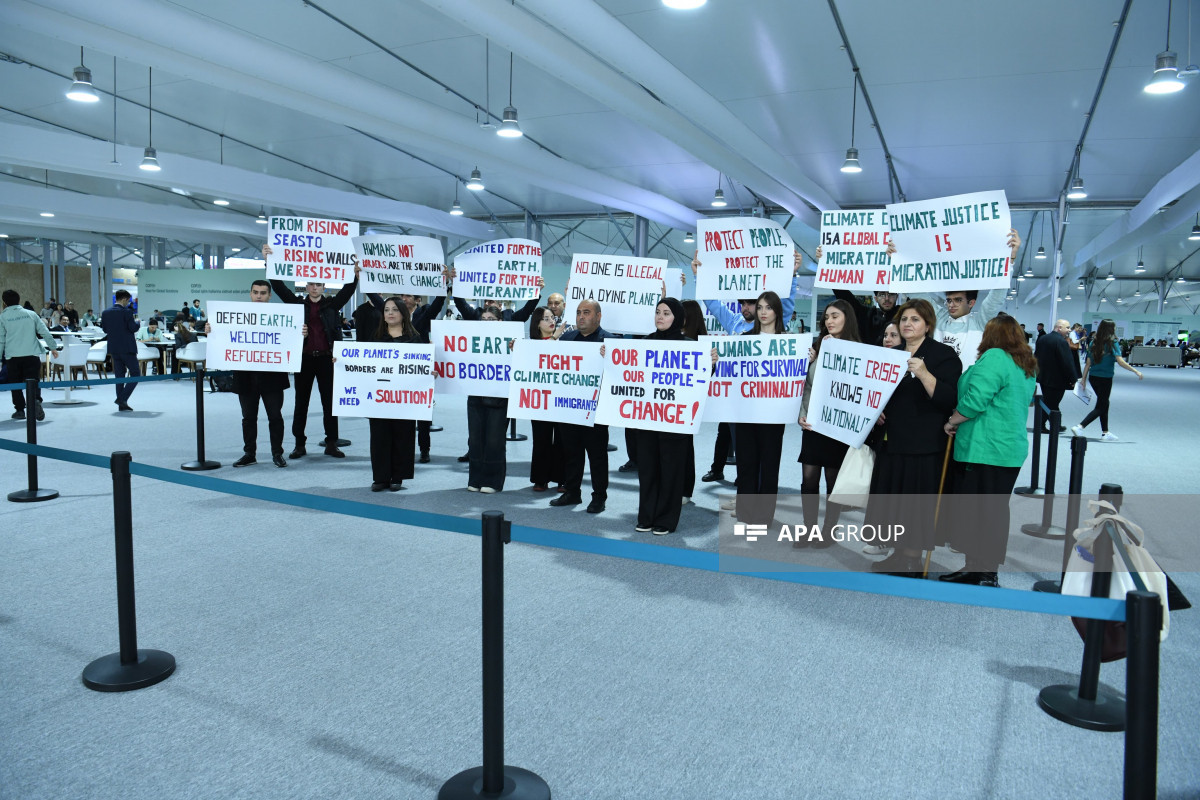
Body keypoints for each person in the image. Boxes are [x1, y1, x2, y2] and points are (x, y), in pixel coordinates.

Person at [864, 299, 962, 574]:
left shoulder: (944, 355)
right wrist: (877, 409)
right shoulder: (890, 353)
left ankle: (912, 558)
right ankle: (897, 553)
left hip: (923, 445)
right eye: (904, 319)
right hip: (891, 441)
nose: (908, 324)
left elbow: (949, 399)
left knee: (915, 504)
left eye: (915, 319)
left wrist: (923, 373)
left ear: (928, 325)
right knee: (892, 501)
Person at [940, 314, 1038, 587]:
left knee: (977, 511)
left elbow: (976, 400)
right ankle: (983, 569)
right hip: (1009, 449)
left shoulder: (994, 356)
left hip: (984, 448)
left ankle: (980, 570)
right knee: (993, 511)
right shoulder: (1025, 365)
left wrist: (952, 420)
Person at [267, 248, 360, 458]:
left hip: (327, 359)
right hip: (304, 359)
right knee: (302, 403)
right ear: (306, 286)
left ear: (324, 286)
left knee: (330, 403)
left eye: (318, 284)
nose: (315, 287)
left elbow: (347, 291)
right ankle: (299, 444)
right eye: (311, 283)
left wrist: (354, 276)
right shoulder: (297, 305)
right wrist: (270, 263)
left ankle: (331, 443)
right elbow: (280, 288)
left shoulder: (332, 305)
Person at [794, 299, 863, 539]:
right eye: (827, 317)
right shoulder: (817, 346)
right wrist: (802, 414)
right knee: (808, 478)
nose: (830, 321)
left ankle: (829, 530)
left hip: (838, 427)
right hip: (813, 425)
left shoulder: (858, 350)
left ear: (847, 318)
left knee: (833, 480)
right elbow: (807, 387)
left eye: (835, 316)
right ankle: (809, 529)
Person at [204, 281, 290, 468]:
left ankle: (277, 453)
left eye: (263, 293)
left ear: (269, 296)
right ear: (250, 294)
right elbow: (224, 338)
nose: (259, 296)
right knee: (248, 418)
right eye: (256, 292)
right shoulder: (237, 317)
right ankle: (249, 453)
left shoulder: (282, 318)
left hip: (272, 376)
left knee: (275, 417)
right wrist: (212, 331)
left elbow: (290, 339)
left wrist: (301, 334)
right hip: (246, 377)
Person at [903, 230, 1020, 365]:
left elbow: (996, 298)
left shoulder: (980, 322)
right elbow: (916, 294)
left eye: (958, 300)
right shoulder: (939, 317)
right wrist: (897, 260)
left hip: (966, 384)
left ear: (971, 303)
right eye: (949, 300)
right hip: (935, 383)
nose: (951, 305)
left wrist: (1010, 260)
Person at [726, 291, 792, 526]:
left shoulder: (789, 342)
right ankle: (745, 513)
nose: (763, 312)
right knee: (746, 464)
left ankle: (764, 516)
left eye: (769, 308)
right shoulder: (744, 339)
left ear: (777, 311)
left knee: (769, 464)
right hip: (746, 412)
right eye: (760, 307)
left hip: (774, 415)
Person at [551, 299, 611, 513]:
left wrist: (611, 358)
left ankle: (599, 497)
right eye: (578, 312)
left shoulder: (610, 342)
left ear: (598, 316)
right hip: (569, 407)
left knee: (597, 456)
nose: (581, 316)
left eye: (587, 312)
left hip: (595, 411)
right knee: (571, 453)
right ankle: (572, 492)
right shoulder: (567, 338)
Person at [366, 297, 421, 490]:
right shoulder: (376, 336)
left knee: (402, 435)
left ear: (403, 313)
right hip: (380, 395)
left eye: (394, 310)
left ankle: (398, 476)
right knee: (379, 435)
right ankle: (380, 477)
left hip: (404, 397)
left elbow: (421, 367)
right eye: (387, 310)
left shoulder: (415, 338)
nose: (390, 313)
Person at [1070, 318, 1142, 442]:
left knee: (1104, 403)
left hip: (1094, 377)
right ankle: (1080, 426)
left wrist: (1084, 378)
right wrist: (1135, 371)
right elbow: (1120, 361)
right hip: (1105, 378)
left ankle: (1105, 432)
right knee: (1102, 405)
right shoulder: (1112, 342)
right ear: (1110, 329)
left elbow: (1088, 363)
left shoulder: (1094, 342)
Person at [464, 305, 510, 493]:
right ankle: (475, 478)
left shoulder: (510, 340)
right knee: (475, 439)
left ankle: (492, 481)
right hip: (475, 395)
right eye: (484, 319)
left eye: (491, 319)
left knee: (494, 440)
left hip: (499, 398)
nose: (487, 323)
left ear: (500, 322)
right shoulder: (471, 340)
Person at [0, 289, 58, 421]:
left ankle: (20, 410)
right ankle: (36, 400)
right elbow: (44, 332)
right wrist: (53, 347)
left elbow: (1, 340)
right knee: (34, 381)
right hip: (31, 354)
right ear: (19, 300)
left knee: (15, 384)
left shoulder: (2, 317)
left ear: (4, 302)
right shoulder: (31, 314)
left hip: (12, 356)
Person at [527, 306, 566, 492]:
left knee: (561, 439)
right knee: (541, 439)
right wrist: (554, 337)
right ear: (537, 323)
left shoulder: (565, 340)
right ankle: (540, 479)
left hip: (560, 398)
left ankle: (561, 478)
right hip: (540, 399)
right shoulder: (531, 344)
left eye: (552, 317)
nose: (551, 321)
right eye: (546, 318)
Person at [1033, 319, 1076, 433]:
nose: (1069, 330)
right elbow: (1067, 362)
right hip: (1057, 379)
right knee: (1051, 402)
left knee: (1050, 400)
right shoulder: (1061, 342)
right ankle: (1041, 425)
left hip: (1043, 377)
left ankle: (1056, 424)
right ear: (1059, 327)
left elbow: (1036, 356)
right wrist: (1073, 378)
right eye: (1067, 327)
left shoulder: (1042, 339)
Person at [100, 289, 140, 412]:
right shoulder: (127, 312)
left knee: (119, 376)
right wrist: (137, 323)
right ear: (123, 299)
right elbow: (133, 328)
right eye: (128, 301)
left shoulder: (105, 312)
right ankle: (122, 398)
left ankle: (121, 404)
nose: (128, 303)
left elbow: (105, 330)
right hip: (127, 348)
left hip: (114, 348)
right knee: (135, 374)